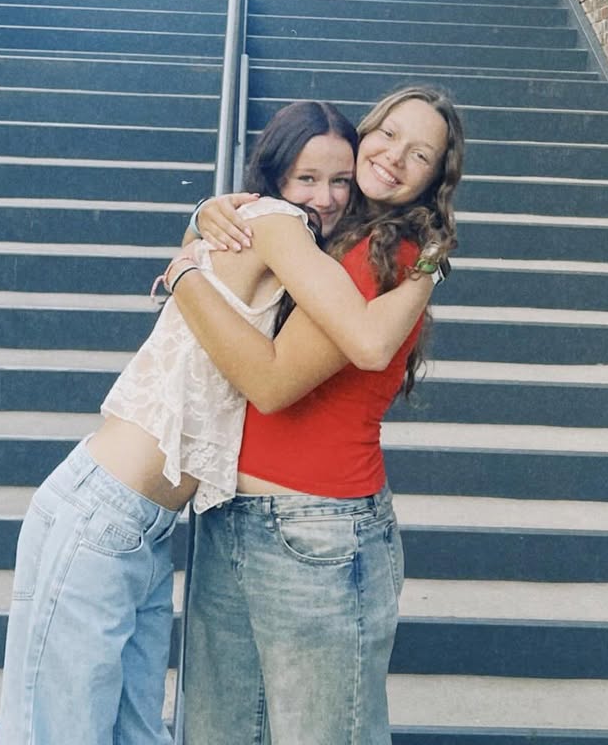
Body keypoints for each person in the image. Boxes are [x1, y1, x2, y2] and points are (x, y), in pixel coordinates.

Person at [0, 98, 442, 745]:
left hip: (147, 527)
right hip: (100, 512)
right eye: (306, 177)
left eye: (339, 180)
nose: (324, 196)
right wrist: (430, 261)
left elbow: (227, 258)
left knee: (133, 731)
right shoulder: (279, 225)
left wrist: (196, 230)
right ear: (275, 176)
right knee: (58, 732)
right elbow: (362, 341)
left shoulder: (292, 239)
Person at [175, 84, 465, 745]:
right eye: (388, 133)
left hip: (314, 530)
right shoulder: (330, 235)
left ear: (434, 179)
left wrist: (182, 275)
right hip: (235, 515)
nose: (394, 156)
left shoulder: (386, 253)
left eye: (420, 154)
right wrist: (204, 216)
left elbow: (271, 383)